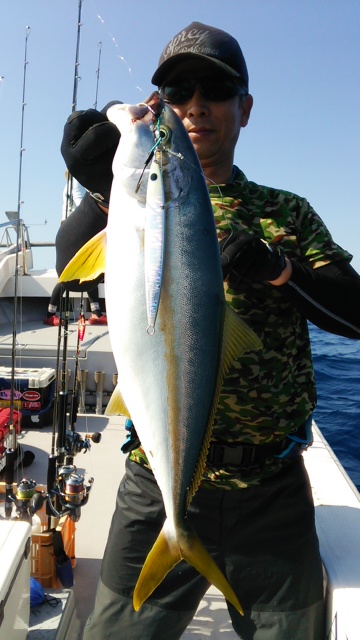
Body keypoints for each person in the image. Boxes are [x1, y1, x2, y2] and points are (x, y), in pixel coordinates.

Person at [60, 22, 360, 640]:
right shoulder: (125, 201)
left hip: (271, 494)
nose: (195, 104)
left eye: (215, 89)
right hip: (156, 487)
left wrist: (281, 270)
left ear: (244, 109)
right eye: (177, 90)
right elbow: (72, 262)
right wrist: (99, 187)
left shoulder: (286, 213)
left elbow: (355, 313)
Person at [43, 170, 108, 326]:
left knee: (87, 269)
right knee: (68, 274)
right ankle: (50, 314)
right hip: (77, 231)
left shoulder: (68, 185)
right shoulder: (78, 183)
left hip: (69, 230)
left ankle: (96, 312)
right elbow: (82, 204)